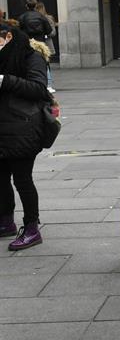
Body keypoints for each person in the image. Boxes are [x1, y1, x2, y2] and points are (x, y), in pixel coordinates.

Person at [0, 21, 53, 250]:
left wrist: (4, 80)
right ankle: (6, 222)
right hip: (3, 128)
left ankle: (31, 228)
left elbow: (39, 89)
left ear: (8, 37)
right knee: (1, 178)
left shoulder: (31, 57)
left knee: (22, 179)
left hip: (23, 129)